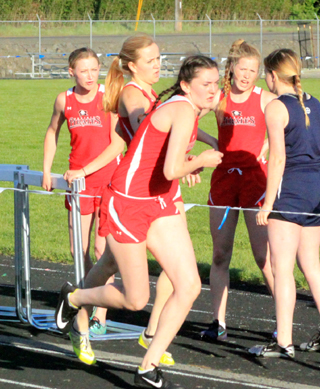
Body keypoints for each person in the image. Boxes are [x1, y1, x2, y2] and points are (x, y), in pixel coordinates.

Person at [55, 55, 223, 388]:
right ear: (187, 85)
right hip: (129, 202)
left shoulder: (183, 107)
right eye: (206, 84)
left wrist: (195, 152)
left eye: (216, 83)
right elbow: (171, 169)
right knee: (134, 299)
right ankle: (74, 298)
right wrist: (201, 160)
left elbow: (164, 157)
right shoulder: (176, 107)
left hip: (159, 201)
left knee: (188, 286)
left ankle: (147, 367)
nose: (213, 90)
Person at [43, 47, 123, 335]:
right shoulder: (64, 100)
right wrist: (46, 169)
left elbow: (118, 144)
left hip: (109, 181)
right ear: (71, 72)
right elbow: (52, 131)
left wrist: (85, 170)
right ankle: (84, 304)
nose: (90, 75)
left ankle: (100, 316)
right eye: (83, 70)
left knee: (104, 250)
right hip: (78, 185)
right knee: (81, 251)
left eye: (94, 69)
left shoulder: (108, 98)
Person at [200, 39, 276, 342]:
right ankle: (218, 322)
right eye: (242, 69)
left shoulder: (266, 99)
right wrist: (211, 143)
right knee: (220, 254)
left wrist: (269, 146)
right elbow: (186, 118)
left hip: (256, 182)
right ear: (231, 68)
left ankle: (283, 322)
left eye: (253, 70)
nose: (246, 75)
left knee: (264, 258)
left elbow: (288, 126)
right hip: (223, 182)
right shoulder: (218, 98)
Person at [249, 48, 320, 358]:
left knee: (282, 267)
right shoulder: (316, 104)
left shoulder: (277, 107)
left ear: (273, 75)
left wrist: (267, 203)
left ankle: (284, 341)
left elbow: (277, 157)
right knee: (313, 267)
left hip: (290, 192)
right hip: (315, 190)